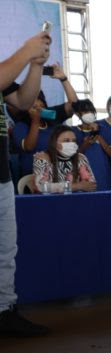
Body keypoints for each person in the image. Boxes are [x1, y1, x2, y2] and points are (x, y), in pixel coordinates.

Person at [0, 30, 52, 336]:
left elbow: (23, 99)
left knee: (6, 250)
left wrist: (35, 65)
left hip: (1, 172)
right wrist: (26, 50)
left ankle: (4, 311)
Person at [11, 62, 77, 177]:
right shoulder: (20, 126)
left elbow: (74, 105)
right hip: (31, 178)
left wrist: (64, 79)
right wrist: (35, 121)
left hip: (58, 174)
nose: (37, 107)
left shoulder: (51, 116)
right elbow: (29, 147)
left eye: (39, 103)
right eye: (32, 104)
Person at [32, 125, 96, 193]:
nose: (71, 144)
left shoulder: (81, 158)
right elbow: (39, 187)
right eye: (66, 141)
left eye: (74, 141)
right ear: (55, 143)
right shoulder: (42, 158)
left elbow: (92, 185)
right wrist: (76, 186)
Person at [72, 99, 111, 191]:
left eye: (91, 111)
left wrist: (99, 137)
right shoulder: (73, 132)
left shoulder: (104, 129)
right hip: (85, 179)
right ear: (78, 114)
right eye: (85, 111)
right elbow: (73, 158)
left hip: (104, 176)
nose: (89, 113)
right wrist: (85, 145)